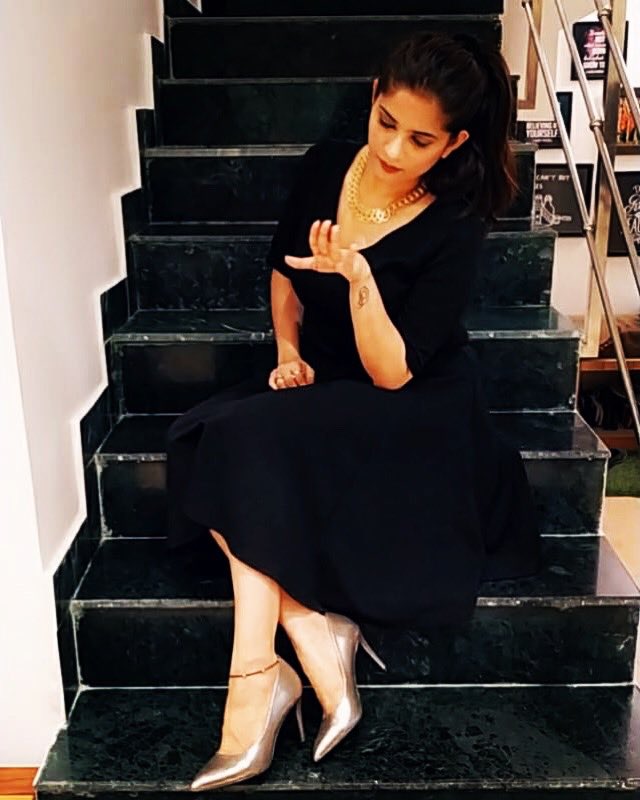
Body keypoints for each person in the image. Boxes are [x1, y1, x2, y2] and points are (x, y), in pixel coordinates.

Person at [164, 29, 542, 791]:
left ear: (454, 142)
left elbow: (393, 372)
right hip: (329, 378)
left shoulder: (456, 217)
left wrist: (360, 279)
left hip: (417, 402)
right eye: (386, 122)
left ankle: (256, 688)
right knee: (201, 437)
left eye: (420, 140)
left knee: (242, 447)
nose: (394, 149)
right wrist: (287, 352)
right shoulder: (328, 166)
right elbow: (284, 271)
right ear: (373, 97)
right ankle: (313, 631)